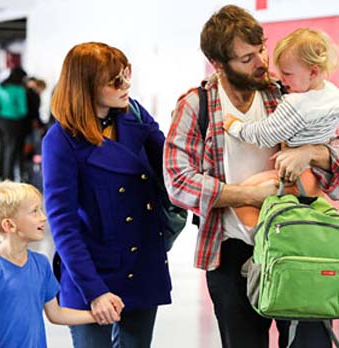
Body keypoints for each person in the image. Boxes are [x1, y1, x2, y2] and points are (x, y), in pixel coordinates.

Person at [163, 5, 339, 348]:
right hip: (231, 251)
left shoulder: (288, 92)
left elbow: (333, 147)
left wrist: (311, 153)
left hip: (299, 242)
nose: (262, 61)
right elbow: (177, 180)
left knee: (311, 343)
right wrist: (248, 196)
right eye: (247, 58)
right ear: (219, 64)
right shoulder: (195, 106)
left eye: (262, 49)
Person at [42, 42, 172, 348]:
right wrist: (95, 290)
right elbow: (64, 225)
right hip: (91, 270)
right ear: (86, 85)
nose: (126, 85)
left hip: (141, 261)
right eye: (115, 81)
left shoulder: (134, 116)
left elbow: (170, 164)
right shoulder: (60, 140)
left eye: (126, 74)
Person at [0, 176, 96, 348]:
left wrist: (97, 316)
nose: (43, 217)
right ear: (9, 225)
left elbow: (56, 314)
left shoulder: (41, 264)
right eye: (34, 211)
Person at [224, 28, 339, 170]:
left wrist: (236, 127)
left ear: (313, 72)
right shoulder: (333, 93)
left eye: (287, 74)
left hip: (299, 171)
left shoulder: (297, 104)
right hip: (322, 172)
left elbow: (266, 134)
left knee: (251, 185)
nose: (282, 79)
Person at [0, 66, 28, 181]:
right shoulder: (19, 89)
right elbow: (23, 111)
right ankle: (8, 178)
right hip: (12, 122)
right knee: (11, 150)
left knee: (0, 149)